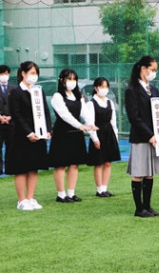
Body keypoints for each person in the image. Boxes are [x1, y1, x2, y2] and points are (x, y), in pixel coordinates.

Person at [125, 55, 159, 217]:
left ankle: (147, 206)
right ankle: (139, 208)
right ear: (143, 69)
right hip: (141, 138)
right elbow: (134, 117)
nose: (154, 73)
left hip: (156, 138)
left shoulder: (154, 90)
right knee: (139, 172)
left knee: (150, 172)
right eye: (152, 70)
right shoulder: (132, 90)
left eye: (155, 71)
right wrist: (149, 135)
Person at [6, 61, 51, 210]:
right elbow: (17, 115)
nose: (34, 76)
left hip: (38, 134)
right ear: (23, 74)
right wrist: (28, 132)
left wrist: (47, 130)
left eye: (36, 73)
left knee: (34, 167)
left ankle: (30, 197)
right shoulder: (16, 93)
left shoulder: (38, 91)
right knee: (21, 167)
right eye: (31, 73)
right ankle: (21, 200)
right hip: (21, 135)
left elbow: (45, 111)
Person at [49, 68, 91, 203]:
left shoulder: (79, 97)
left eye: (74, 79)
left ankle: (71, 193)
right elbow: (64, 115)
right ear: (61, 80)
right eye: (69, 79)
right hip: (62, 133)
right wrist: (80, 125)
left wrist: (91, 126)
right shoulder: (57, 96)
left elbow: (85, 113)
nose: (72, 82)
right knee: (61, 164)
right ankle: (61, 194)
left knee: (74, 164)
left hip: (76, 134)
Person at [86, 77, 121, 198]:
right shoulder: (91, 103)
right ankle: (99, 189)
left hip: (109, 134)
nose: (104, 89)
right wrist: (94, 138)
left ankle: (105, 188)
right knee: (99, 163)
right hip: (98, 133)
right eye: (102, 87)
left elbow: (113, 122)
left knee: (107, 162)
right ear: (96, 88)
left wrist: (115, 137)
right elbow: (90, 122)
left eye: (106, 87)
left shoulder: (109, 102)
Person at [0, 65, 16, 175]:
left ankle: (10, 168)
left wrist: (10, 116)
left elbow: (17, 106)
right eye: (1, 74)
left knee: (11, 147)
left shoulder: (14, 88)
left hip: (11, 122)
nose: (4, 76)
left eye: (6, 73)